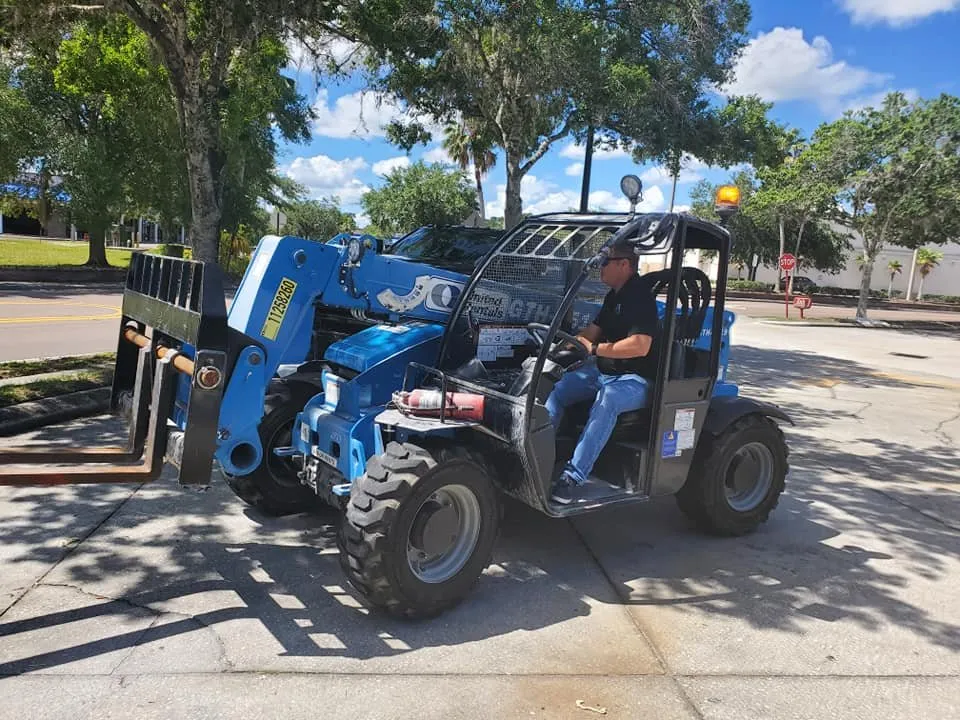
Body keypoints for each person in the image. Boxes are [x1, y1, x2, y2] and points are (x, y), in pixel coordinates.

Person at [545, 237, 660, 504]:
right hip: (604, 374)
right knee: (557, 387)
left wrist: (595, 349)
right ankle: (538, 455)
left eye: (605, 262)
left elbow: (640, 346)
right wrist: (560, 345)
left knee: (607, 400)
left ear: (623, 265)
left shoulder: (641, 298)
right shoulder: (613, 297)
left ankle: (573, 476)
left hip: (637, 380)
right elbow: (590, 332)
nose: (601, 268)